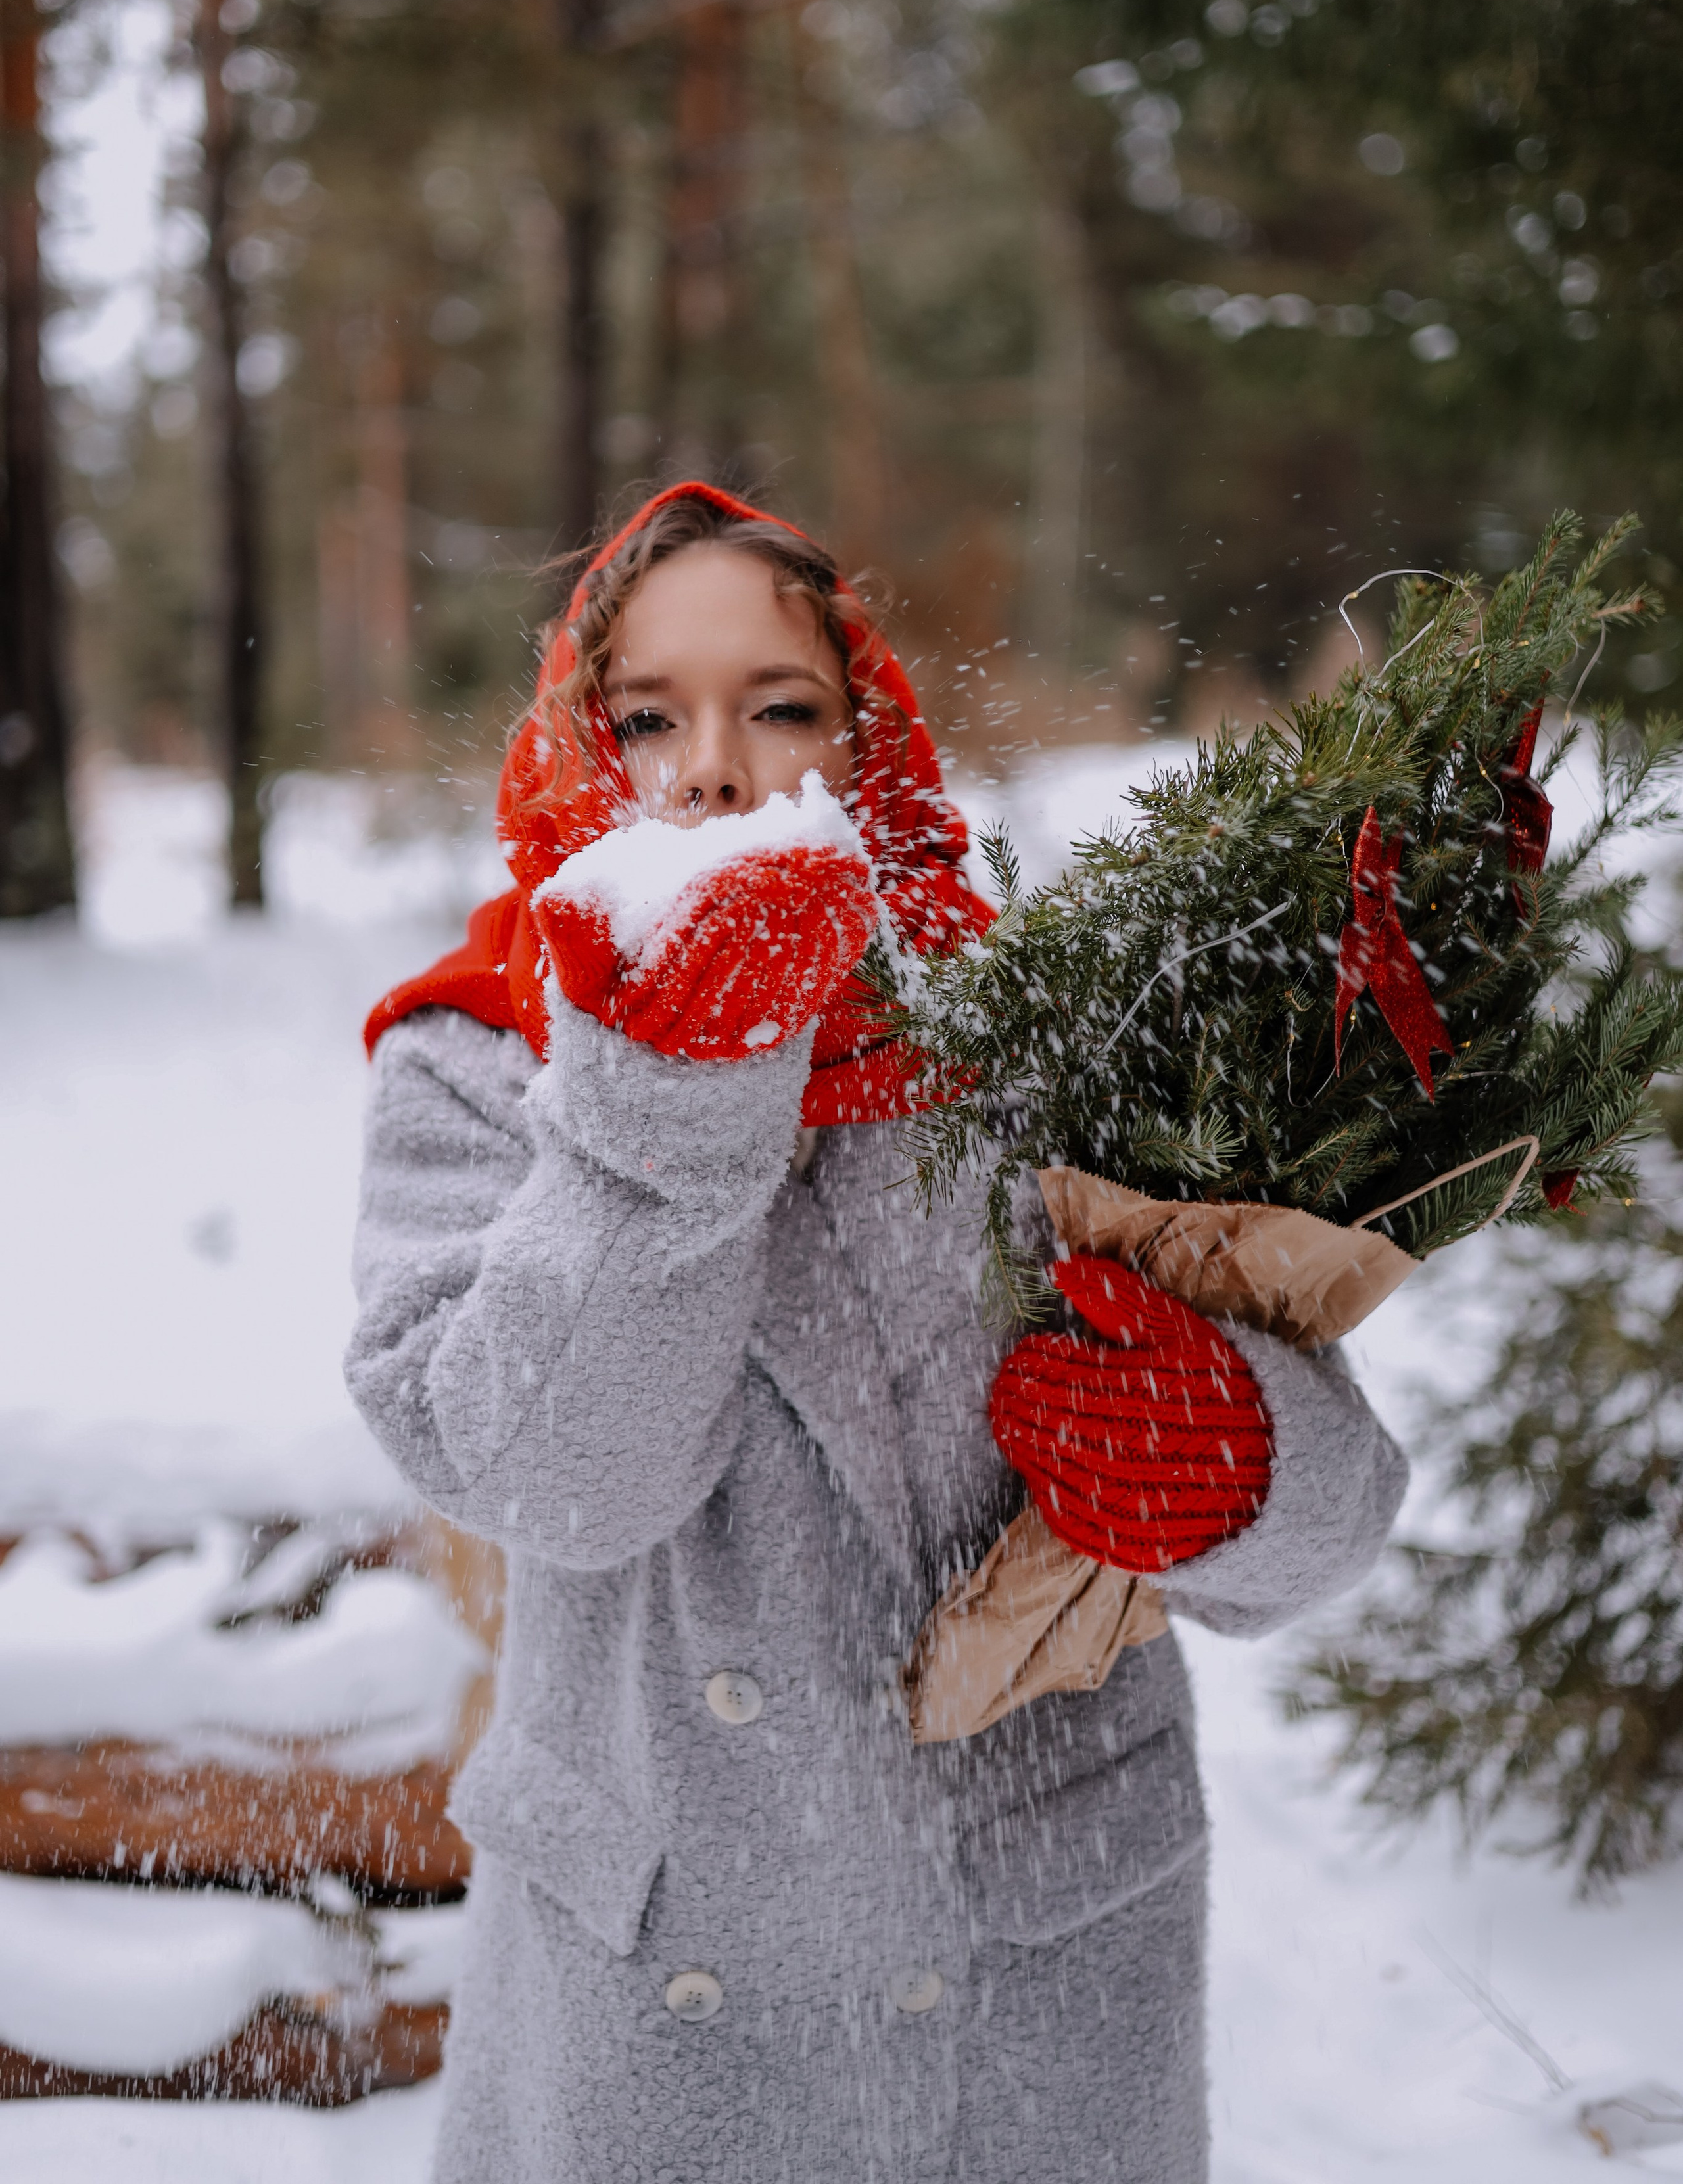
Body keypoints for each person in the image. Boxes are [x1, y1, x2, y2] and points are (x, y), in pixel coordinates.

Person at [348, 481, 1406, 2183]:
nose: (713, 766)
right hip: (659, 1974)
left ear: (873, 751)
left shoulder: (1040, 1045)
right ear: (571, 748)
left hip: (1033, 1969)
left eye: (782, 707)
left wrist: (1245, 1465)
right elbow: (558, 1481)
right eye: (647, 717)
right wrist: (670, 1098)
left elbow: (1339, 1511)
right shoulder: (476, 1060)